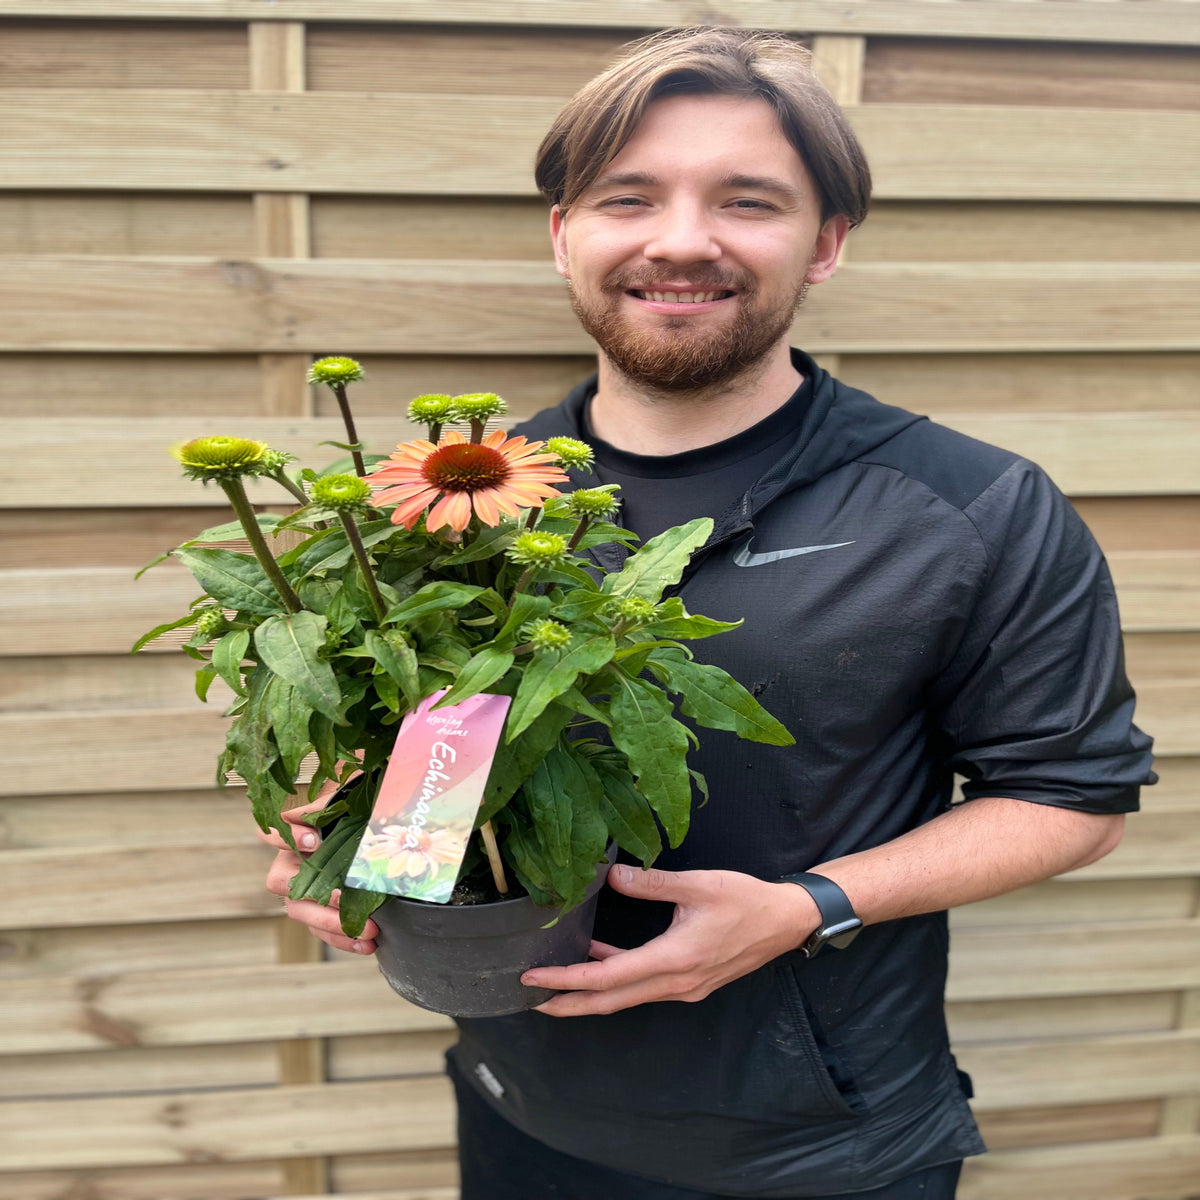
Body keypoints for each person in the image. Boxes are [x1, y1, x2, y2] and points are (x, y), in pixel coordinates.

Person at [261, 27, 1155, 1200]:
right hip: (520, 1106)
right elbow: (438, 728)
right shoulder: (460, 496)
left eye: (748, 201)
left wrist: (806, 907)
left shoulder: (969, 507)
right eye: (628, 196)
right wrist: (361, 848)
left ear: (825, 242)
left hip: (823, 1150)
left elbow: (1075, 799)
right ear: (564, 233)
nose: (682, 240)